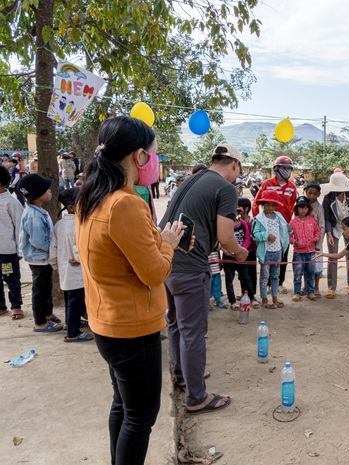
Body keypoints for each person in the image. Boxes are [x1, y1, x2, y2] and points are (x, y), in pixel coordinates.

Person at [75, 115, 187, 463]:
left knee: (123, 406)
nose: (154, 162)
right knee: (140, 416)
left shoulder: (92, 196)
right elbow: (154, 272)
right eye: (152, 154)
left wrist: (158, 239)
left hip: (107, 321)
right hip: (132, 329)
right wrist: (167, 242)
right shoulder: (125, 203)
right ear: (138, 157)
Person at [160, 142, 248, 415]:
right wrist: (240, 252)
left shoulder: (191, 179)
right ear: (234, 164)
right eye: (239, 170)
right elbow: (225, 237)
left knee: (176, 325)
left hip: (167, 263)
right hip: (190, 268)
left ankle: (183, 375)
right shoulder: (225, 188)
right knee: (193, 332)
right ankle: (197, 396)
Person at [17, 174, 64, 333]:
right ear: (37, 195)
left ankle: (48, 314)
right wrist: (54, 250)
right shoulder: (34, 216)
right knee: (40, 290)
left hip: (43, 259)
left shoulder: (38, 211)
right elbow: (37, 241)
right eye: (46, 190)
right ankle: (40, 322)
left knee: (46, 287)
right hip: (39, 259)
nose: (50, 192)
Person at [49, 187, 92, 342]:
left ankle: (70, 324)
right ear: (72, 207)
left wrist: (56, 266)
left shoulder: (59, 225)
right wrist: (79, 259)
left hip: (65, 273)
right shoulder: (79, 225)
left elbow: (52, 250)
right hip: (77, 274)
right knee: (75, 302)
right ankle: (72, 333)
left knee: (70, 301)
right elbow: (78, 249)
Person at [252, 156, 297, 294]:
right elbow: (256, 202)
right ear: (276, 168)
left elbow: (292, 205)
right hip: (268, 225)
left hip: (283, 227)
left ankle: (280, 282)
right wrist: (257, 221)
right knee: (267, 254)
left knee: (282, 253)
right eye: (283, 168)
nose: (286, 171)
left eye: (288, 168)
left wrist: (291, 224)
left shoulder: (292, 187)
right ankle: (267, 285)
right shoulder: (267, 184)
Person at [322, 172, 349, 298]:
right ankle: (331, 287)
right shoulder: (328, 198)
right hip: (335, 226)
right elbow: (327, 218)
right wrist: (329, 234)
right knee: (332, 256)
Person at [252, 190, 289, 309]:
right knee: (264, 277)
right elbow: (254, 234)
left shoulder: (279, 217)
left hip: (277, 251)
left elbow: (284, 231)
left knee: (275, 276)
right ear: (263, 205)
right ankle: (264, 299)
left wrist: (290, 229)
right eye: (267, 204)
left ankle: (274, 298)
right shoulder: (259, 219)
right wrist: (266, 236)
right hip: (266, 252)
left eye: (273, 205)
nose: (270, 207)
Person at [0, 165, 24, 320]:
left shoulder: (11, 203)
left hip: (7, 250)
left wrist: (20, 250)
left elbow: (20, 227)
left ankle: (16, 306)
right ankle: (1, 306)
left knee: (11, 279)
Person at [289, 196, 320, 302]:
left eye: (306, 208)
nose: (303, 210)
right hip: (298, 253)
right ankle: (297, 293)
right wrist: (294, 241)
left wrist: (316, 238)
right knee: (297, 273)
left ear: (308, 209)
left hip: (311, 252)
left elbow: (317, 231)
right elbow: (289, 235)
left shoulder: (312, 220)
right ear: (297, 209)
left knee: (310, 272)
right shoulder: (293, 222)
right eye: (301, 207)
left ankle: (310, 292)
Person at [222, 206, 254, 310]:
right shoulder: (224, 225)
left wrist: (241, 250)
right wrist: (226, 251)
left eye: (234, 211)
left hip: (241, 257)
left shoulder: (243, 224)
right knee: (229, 280)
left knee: (246, 278)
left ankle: (252, 298)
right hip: (228, 257)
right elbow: (221, 240)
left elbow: (247, 237)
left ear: (237, 212)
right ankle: (232, 301)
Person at [303, 181, 325, 298]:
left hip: (315, 242)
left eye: (314, 194)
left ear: (318, 194)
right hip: (304, 242)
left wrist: (319, 244)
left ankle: (315, 287)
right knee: (305, 265)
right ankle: (306, 286)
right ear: (305, 192)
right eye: (309, 193)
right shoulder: (303, 205)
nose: (311, 196)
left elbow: (322, 227)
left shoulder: (319, 208)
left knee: (316, 265)